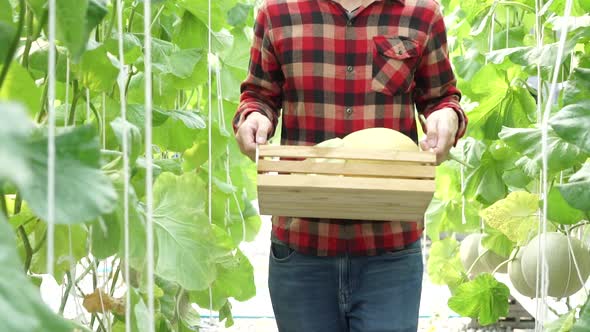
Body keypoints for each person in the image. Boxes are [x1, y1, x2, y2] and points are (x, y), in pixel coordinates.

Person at [232, 0, 467, 331]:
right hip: (302, 248)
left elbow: (441, 96)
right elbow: (259, 95)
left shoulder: (421, 14)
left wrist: (445, 116)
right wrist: (253, 117)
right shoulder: (277, 13)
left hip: (390, 252)